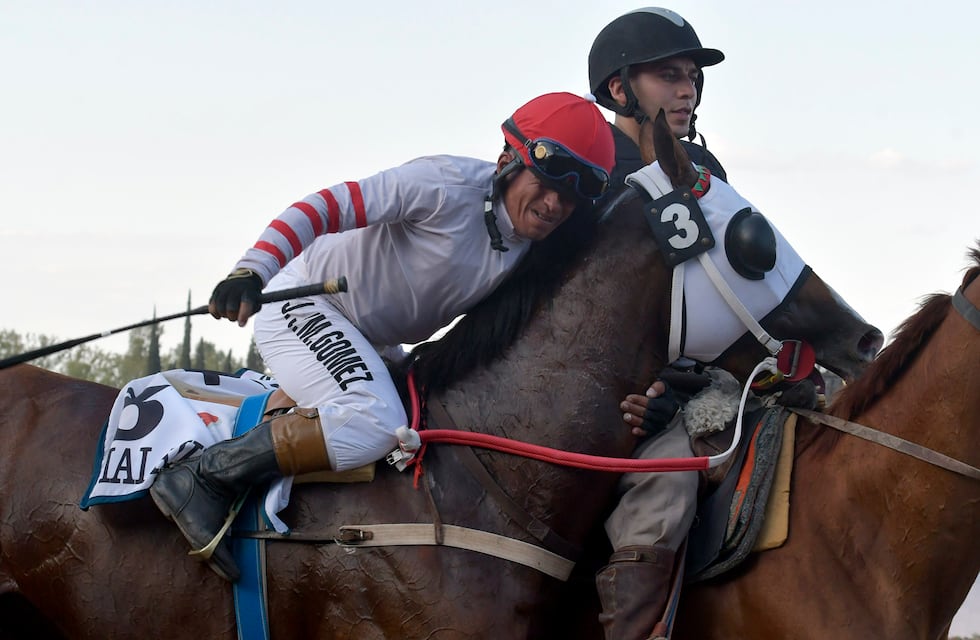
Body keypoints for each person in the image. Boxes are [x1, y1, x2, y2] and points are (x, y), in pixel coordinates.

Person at [149, 91, 616, 582]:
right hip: (304, 304)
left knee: (422, 432)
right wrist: (253, 269)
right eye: (544, 184)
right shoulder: (442, 183)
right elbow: (325, 207)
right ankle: (201, 476)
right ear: (506, 162)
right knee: (375, 423)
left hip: (374, 342)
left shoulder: (536, 247)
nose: (553, 205)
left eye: (569, 198)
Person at [588, 8, 730, 639]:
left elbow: (718, 290)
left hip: (685, 384)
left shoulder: (708, 173)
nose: (687, 89)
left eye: (692, 77)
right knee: (668, 488)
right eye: (669, 76)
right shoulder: (582, 169)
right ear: (619, 90)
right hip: (588, 393)